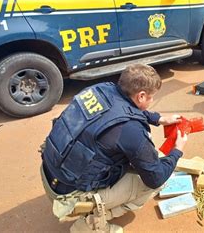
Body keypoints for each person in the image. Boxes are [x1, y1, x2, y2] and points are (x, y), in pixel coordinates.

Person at [40, 64, 188, 233]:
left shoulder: (101, 89)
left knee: (128, 155)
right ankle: (91, 225)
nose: (152, 101)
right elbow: (155, 178)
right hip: (67, 195)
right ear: (141, 96)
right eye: (151, 97)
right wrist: (177, 150)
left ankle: (93, 208)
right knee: (158, 177)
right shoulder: (131, 130)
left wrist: (158, 118)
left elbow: (121, 109)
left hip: (50, 171)